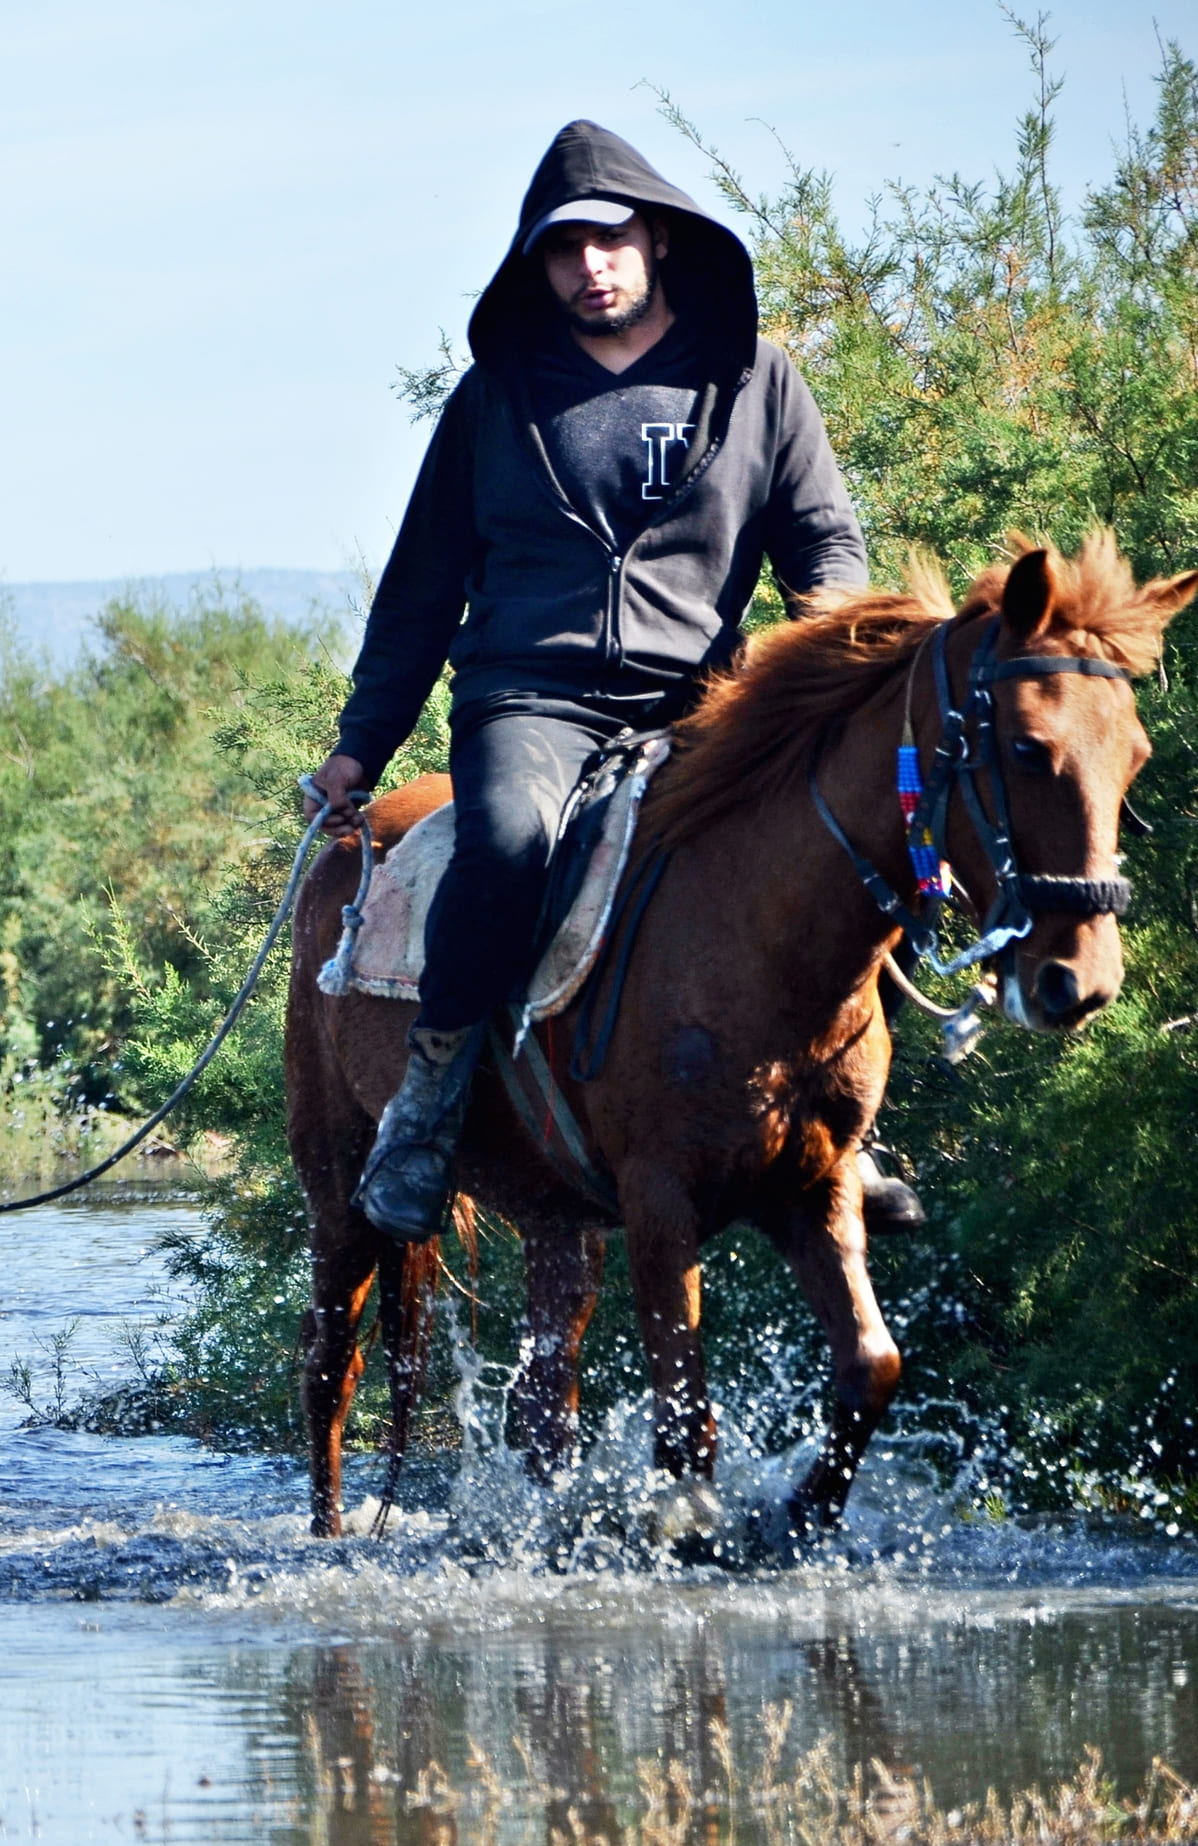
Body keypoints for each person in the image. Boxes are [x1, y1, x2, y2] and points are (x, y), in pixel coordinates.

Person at [303, 119, 920, 1243]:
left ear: (659, 240)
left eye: (611, 239)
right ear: (537, 264)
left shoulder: (755, 381)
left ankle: (848, 1127)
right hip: (531, 702)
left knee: (857, 836)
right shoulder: (495, 401)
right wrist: (361, 744)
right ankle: (430, 1105)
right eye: (563, 249)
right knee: (507, 844)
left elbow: (825, 546)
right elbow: (420, 592)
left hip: (705, 705)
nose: (590, 265)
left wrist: (828, 673)